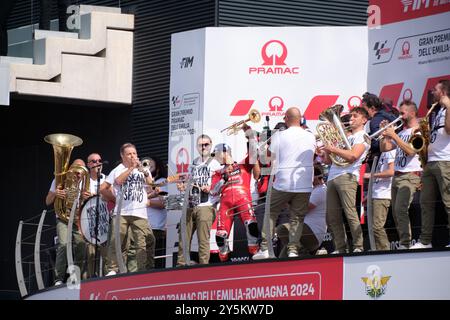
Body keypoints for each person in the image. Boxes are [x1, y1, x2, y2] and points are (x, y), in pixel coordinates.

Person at [253, 107, 316, 259]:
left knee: (270, 213)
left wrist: (260, 147)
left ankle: (266, 248)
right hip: (305, 183)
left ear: (286, 118)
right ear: (300, 119)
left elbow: (268, 158)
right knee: (297, 218)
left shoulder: (279, 135)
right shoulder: (311, 136)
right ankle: (293, 249)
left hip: (283, 182)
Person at [100, 143, 155, 275]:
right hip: (122, 212)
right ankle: (113, 269)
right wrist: (131, 168)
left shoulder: (142, 169)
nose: (133, 156)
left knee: (141, 242)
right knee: (117, 241)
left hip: (139, 212)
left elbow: (151, 185)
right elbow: (118, 181)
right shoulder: (118, 169)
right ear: (122, 156)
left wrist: (145, 171)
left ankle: (142, 270)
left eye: (134, 153)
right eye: (129, 154)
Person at [321, 106, 370, 254]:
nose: (351, 118)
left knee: (350, 213)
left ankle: (358, 246)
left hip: (348, 176)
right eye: (351, 116)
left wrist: (334, 149)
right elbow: (329, 162)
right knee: (332, 216)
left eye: (355, 116)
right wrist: (327, 150)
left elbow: (353, 156)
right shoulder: (346, 136)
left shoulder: (363, 136)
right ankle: (340, 247)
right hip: (333, 176)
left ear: (364, 120)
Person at [412, 79, 450, 249]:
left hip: (445, 161)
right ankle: (425, 241)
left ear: (443, 92)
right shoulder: (436, 109)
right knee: (425, 203)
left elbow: (449, 129)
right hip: (431, 162)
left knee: (448, 202)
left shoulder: (448, 107)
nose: (432, 92)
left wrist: (449, 106)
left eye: (435, 90)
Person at [380, 100, 422, 249]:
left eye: (403, 113)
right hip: (397, 175)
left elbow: (411, 151)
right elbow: (385, 148)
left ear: (412, 113)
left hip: (410, 175)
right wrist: (385, 134)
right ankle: (404, 241)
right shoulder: (402, 131)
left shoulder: (418, 130)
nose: (400, 116)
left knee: (400, 210)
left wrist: (394, 135)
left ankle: (405, 243)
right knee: (397, 213)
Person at [176, 134, 221, 266]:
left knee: (203, 239)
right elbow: (187, 184)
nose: (203, 147)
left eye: (206, 144)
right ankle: (181, 265)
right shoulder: (192, 164)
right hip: (190, 204)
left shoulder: (215, 163)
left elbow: (221, 182)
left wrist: (211, 187)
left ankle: (203, 267)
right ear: (197, 147)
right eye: (201, 145)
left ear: (211, 145)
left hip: (207, 205)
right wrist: (183, 186)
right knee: (183, 237)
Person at [210, 142, 259, 261]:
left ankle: (254, 250)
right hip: (225, 202)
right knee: (220, 235)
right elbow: (213, 191)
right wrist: (223, 179)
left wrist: (248, 134)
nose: (216, 157)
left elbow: (253, 154)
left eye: (217, 154)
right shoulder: (218, 172)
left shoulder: (243, 165)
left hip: (243, 198)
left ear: (225, 152)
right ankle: (224, 254)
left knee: (251, 225)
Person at [45, 158, 88, 286]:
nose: (79, 172)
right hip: (63, 218)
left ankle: (75, 276)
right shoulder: (59, 180)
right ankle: (58, 278)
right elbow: (47, 201)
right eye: (77, 168)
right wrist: (56, 194)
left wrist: (88, 197)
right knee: (63, 245)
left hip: (78, 219)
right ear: (71, 169)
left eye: (82, 169)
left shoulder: (86, 182)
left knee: (81, 245)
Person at [275, 165, 327, 257]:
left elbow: (303, 209)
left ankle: (305, 254)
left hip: (312, 233)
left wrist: (287, 199)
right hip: (305, 232)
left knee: (282, 229)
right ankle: (303, 253)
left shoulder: (320, 190)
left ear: (316, 177)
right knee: (282, 258)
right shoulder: (314, 190)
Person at [83, 153, 109, 277]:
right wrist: (82, 198)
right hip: (88, 223)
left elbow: (112, 197)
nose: (97, 163)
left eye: (99, 160)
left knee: (107, 255)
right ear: (88, 165)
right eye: (93, 161)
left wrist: (96, 195)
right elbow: (75, 204)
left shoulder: (107, 179)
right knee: (90, 256)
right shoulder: (83, 181)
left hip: (105, 221)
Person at [364, 149, 396, 251]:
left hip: (383, 195)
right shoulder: (384, 152)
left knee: (377, 226)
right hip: (376, 194)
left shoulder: (391, 151)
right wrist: (369, 194)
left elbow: (391, 171)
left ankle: (384, 250)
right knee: (373, 227)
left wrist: (371, 175)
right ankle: (378, 250)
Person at [145, 156, 168, 268]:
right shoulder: (142, 183)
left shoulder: (162, 182)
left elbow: (163, 203)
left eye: (151, 166)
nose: (148, 168)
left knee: (155, 260)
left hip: (156, 228)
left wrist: (147, 202)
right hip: (143, 226)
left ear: (158, 169)